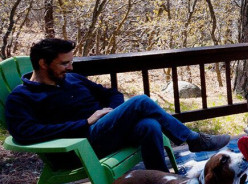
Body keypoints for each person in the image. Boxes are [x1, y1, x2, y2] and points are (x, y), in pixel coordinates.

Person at [4, 38, 230, 172]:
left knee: (149, 125)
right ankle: (194, 140)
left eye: (71, 61)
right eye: (64, 63)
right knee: (140, 101)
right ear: (43, 63)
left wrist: (112, 112)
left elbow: (111, 93)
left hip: (103, 133)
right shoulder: (22, 97)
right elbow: (25, 134)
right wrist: (85, 122)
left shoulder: (71, 79)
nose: (71, 67)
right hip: (78, 147)